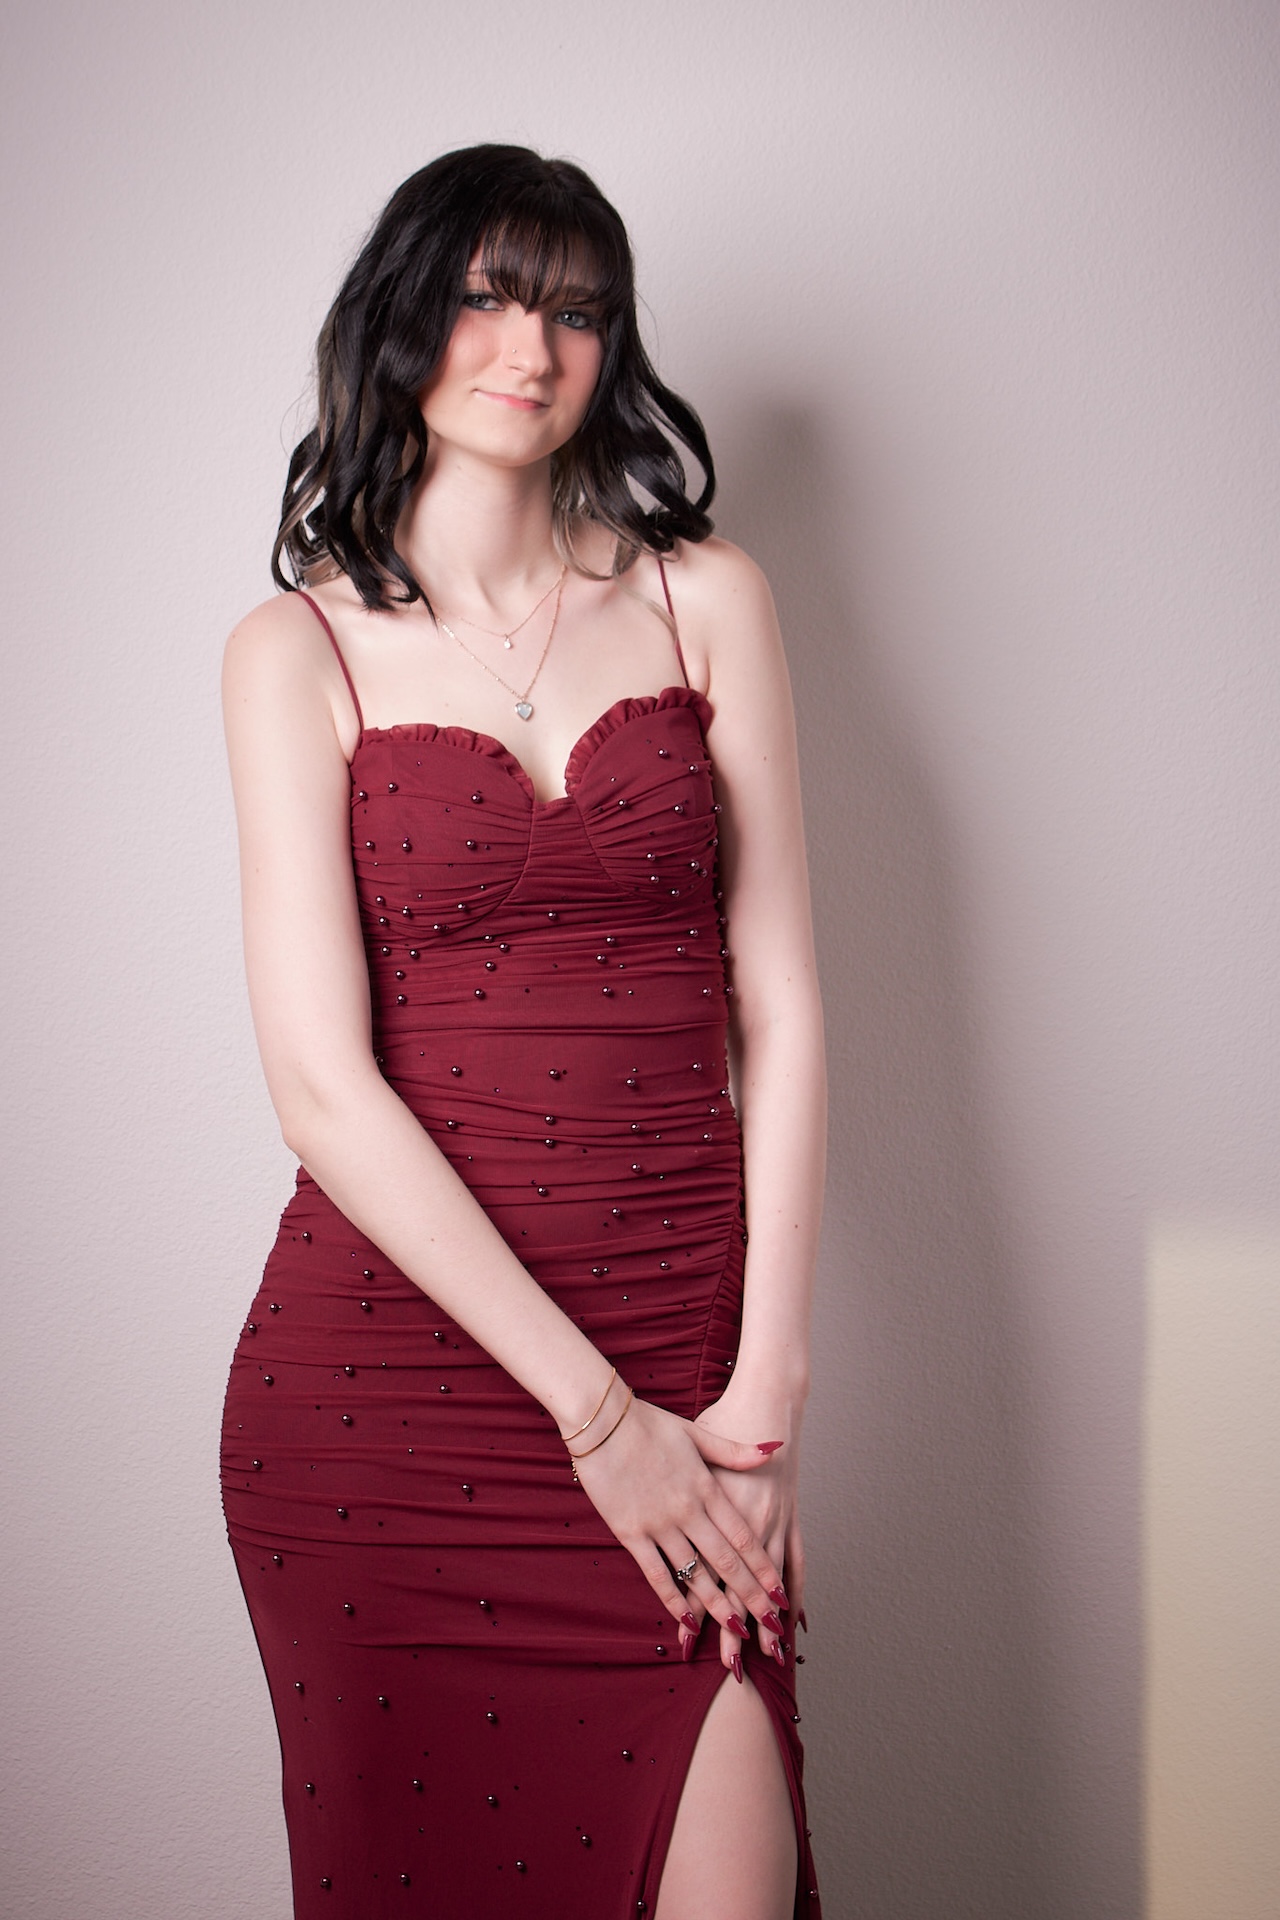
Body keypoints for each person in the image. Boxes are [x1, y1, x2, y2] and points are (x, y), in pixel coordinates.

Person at [220, 143, 826, 1920]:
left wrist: (760, 1406)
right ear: (402, 317)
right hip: (389, 1404)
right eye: (488, 291)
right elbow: (322, 1089)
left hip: (691, 1361)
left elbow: (782, 1004)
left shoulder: (703, 596)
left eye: (575, 307)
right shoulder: (293, 655)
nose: (531, 341)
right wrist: (590, 1417)